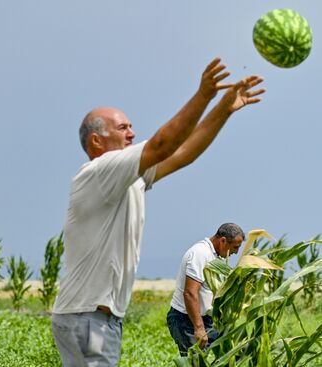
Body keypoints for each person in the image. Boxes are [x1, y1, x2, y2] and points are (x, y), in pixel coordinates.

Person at [51, 58, 265, 366]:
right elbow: (165, 143)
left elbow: (182, 153)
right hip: (87, 317)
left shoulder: (127, 179)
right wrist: (203, 95)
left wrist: (223, 109)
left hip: (92, 317)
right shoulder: (99, 171)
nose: (132, 134)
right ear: (96, 141)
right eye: (123, 127)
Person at [166, 223, 244, 356]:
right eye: (235, 247)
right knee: (193, 362)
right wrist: (199, 328)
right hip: (186, 321)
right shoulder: (200, 254)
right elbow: (190, 293)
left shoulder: (216, 256)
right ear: (223, 241)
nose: (236, 252)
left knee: (234, 354)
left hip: (207, 321)